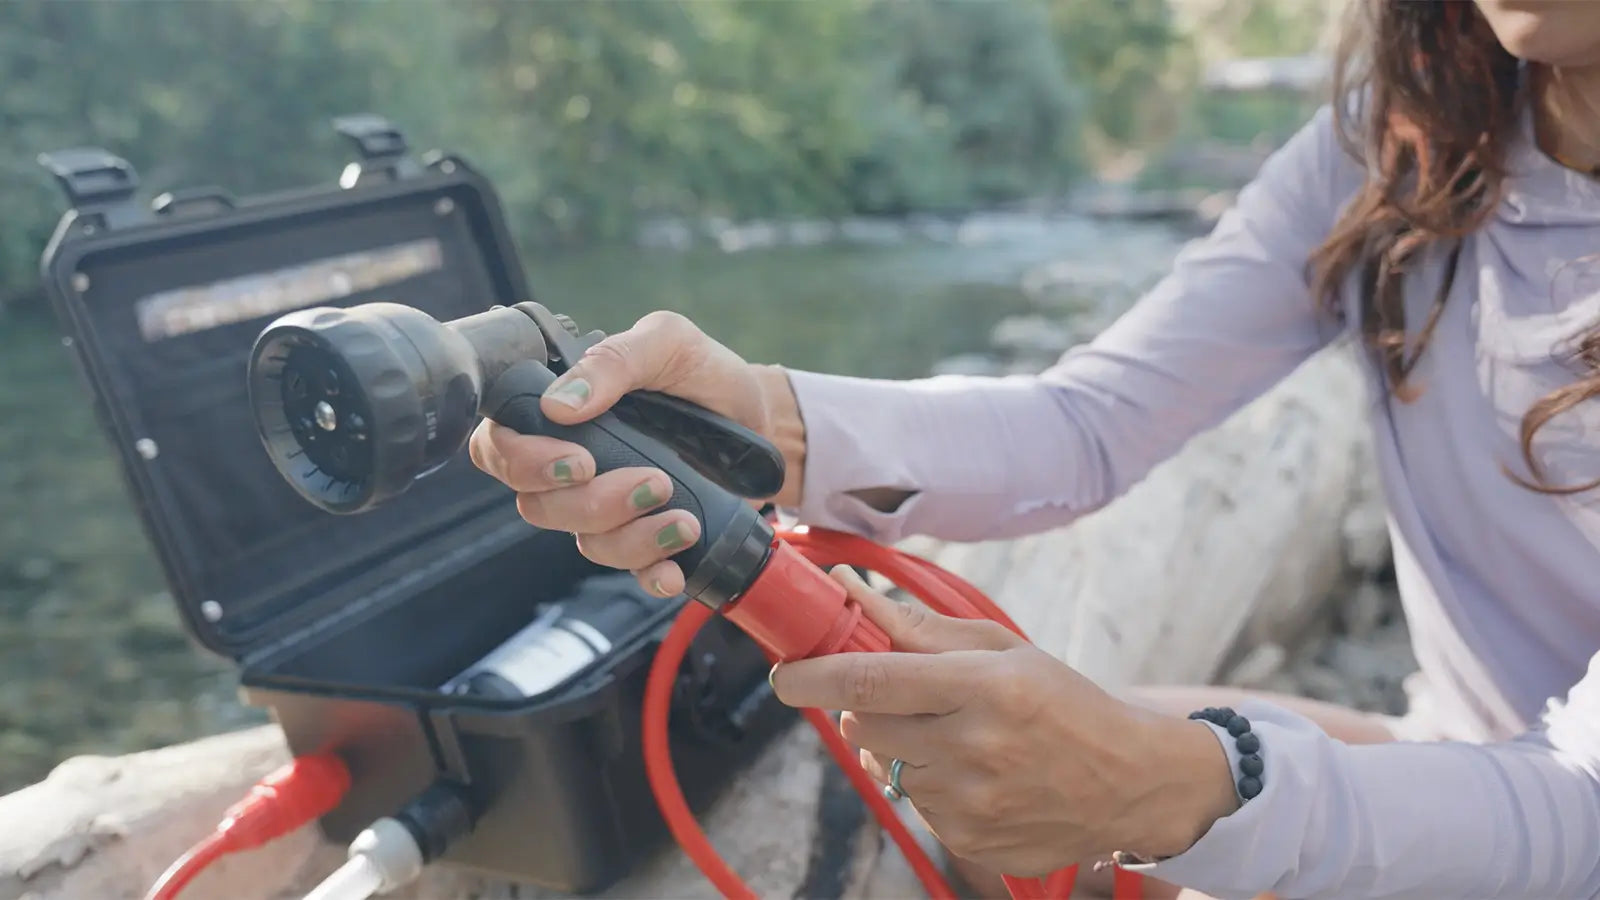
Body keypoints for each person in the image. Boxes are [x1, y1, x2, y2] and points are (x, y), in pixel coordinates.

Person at [469, 0, 1600, 896]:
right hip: (1453, 747)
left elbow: (1581, 805)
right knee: (992, 802)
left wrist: (1183, 787)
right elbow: (1087, 424)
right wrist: (762, 416)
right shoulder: (1403, 134)